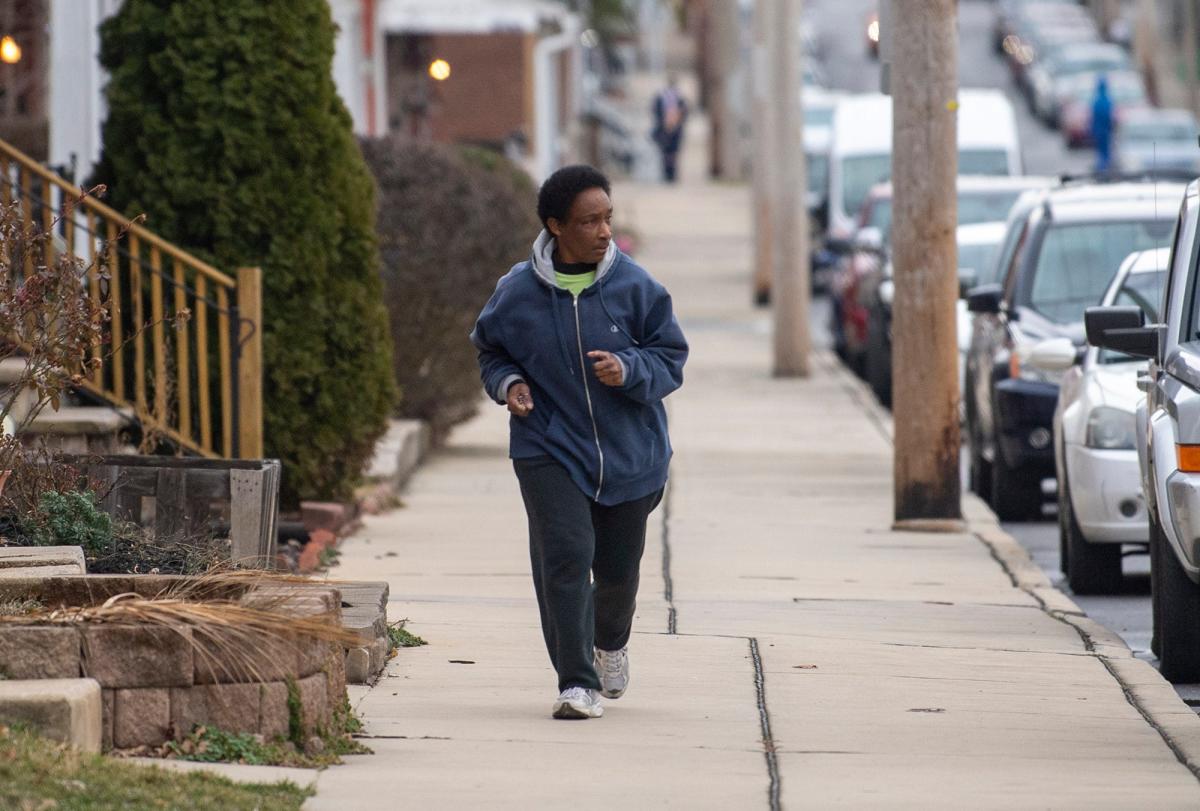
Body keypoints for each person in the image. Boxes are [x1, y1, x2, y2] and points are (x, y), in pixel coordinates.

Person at [470, 165, 688, 720]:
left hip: (629, 453)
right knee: (565, 559)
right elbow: (491, 351)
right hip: (548, 446)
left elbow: (670, 357)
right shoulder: (517, 292)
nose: (604, 231)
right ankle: (576, 683)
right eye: (589, 221)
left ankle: (610, 643)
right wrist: (509, 384)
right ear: (556, 226)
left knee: (616, 572)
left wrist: (629, 368)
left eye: (608, 218)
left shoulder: (635, 287)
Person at [652, 76, 688, 183]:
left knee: (668, 153)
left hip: (669, 129)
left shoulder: (662, 97)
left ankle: (669, 174)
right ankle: (669, 174)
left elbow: (656, 112)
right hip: (670, 129)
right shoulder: (679, 98)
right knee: (670, 153)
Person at [1091, 75, 1115, 174]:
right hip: (1105, 129)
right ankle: (1104, 166)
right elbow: (1109, 116)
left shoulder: (1097, 101)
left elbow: (1093, 117)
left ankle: (1103, 166)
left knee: (1102, 149)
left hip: (1100, 129)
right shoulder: (1106, 100)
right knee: (1105, 149)